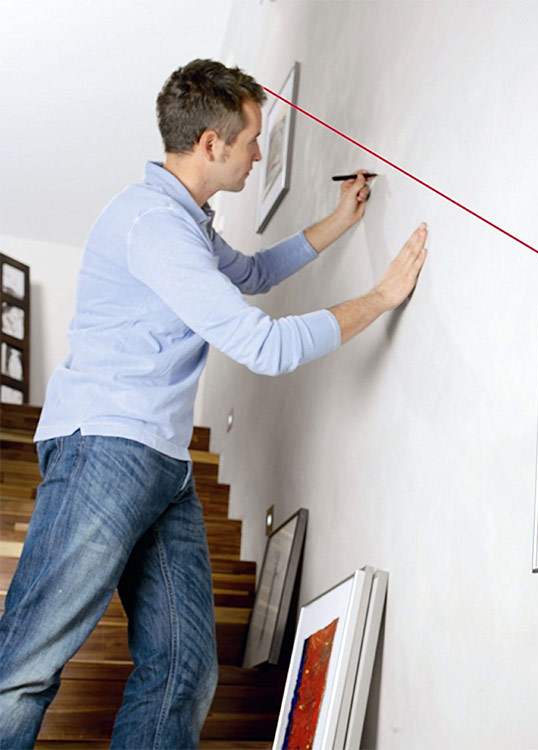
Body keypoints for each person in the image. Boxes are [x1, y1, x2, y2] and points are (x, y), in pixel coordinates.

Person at [0, 59, 427, 749]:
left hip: (162, 463)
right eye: (253, 140)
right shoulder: (153, 226)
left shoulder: (185, 224)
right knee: (23, 666)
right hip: (104, 449)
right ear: (210, 143)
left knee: (185, 670)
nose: (258, 155)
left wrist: (338, 222)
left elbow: (252, 274)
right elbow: (265, 346)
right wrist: (378, 299)